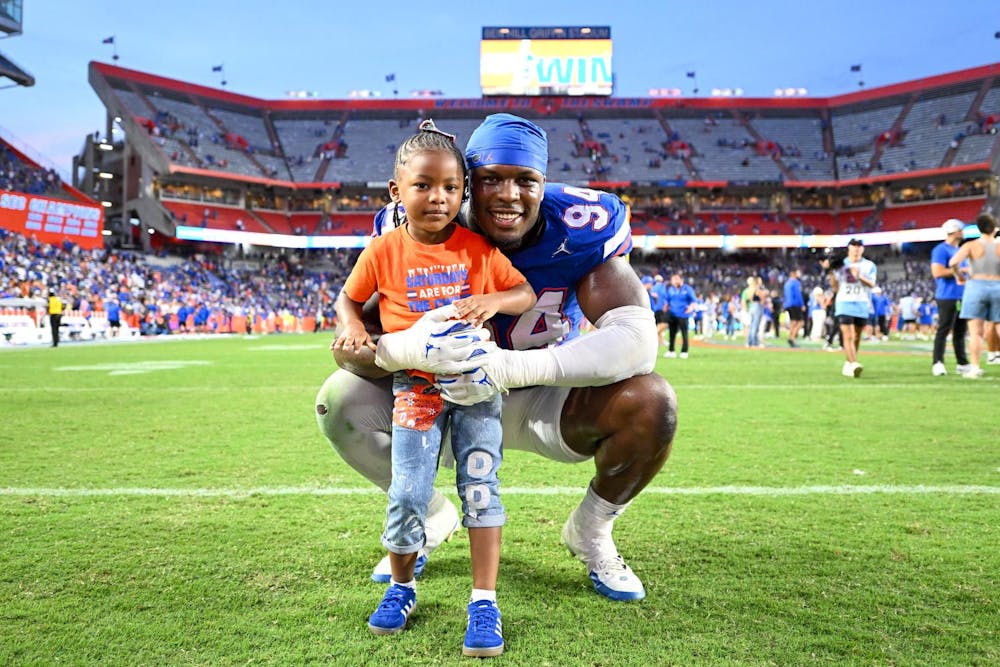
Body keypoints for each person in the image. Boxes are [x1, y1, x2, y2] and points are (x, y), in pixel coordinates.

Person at [316, 113, 677, 606]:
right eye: (490, 181)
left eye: (525, 180)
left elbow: (637, 341)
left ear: (543, 184)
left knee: (653, 401)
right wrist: (401, 348)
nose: (508, 195)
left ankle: (592, 534)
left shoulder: (582, 225)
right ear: (468, 185)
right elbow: (359, 347)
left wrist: (507, 367)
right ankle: (430, 516)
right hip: (439, 396)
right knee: (337, 402)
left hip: (545, 396)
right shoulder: (417, 226)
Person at [332, 120, 536, 654]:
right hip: (414, 389)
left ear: (463, 193)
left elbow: (523, 291)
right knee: (407, 492)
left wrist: (492, 301)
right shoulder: (382, 251)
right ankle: (402, 588)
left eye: (450, 187)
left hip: (476, 388)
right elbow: (349, 299)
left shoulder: (477, 250)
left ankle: (484, 601)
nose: (438, 198)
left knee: (481, 489)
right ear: (397, 192)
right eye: (423, 185)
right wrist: (353, 326)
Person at [949, 213, 1000, 378]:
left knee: (975, 332)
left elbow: (953, 262)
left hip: (976, 285)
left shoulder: (971, 245)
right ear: (994, 229)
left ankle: (975, 367)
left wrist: (959, 276)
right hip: (998, 285)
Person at [825, 239, 877, 377]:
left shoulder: (869, 265)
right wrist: (830, 272)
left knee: (857, 336)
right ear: (849, 248)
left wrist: (858, 276)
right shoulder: (841, 264)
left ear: (863, 249)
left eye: (859, 246)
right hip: (844, 302)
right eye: (854, 246)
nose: (856, 249)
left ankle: (849, 364)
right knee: (847, 335)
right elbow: (835, 287)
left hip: (861, 303)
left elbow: (872, 284)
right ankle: (854, 363)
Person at [930, 218, 971, 376]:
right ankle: (938, 362)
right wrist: (962, 271)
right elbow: (937, 272)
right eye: (961, 229)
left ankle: (962, 362)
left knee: (961, 330)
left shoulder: (958, 250)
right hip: (947, 295)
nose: (963, 232)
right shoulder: (941, 249)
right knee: (944, 329)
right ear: (954, 231)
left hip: (961, 295)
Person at [663, 273, 696, 358]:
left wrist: (691, 308)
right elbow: (667, 300)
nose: (674, 281)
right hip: (672, 314)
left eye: (676, 279)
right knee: (671, 333)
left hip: (683, 314)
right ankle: (671, 351)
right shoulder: (671, 289)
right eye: (673, 279)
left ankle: (684, 351)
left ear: (681, 280)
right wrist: (665, 307)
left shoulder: (687, 289)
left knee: (684, 334)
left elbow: (693, 300)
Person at [782, 268, 804, 347]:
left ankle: (790, 336)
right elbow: (798, 294)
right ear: (794, 274)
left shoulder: (786, 283)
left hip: (788, 304)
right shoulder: (796, 283)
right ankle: (792, 338)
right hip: (795, 304)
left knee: (792, 322)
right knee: (800, 322)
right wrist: (802, 304)